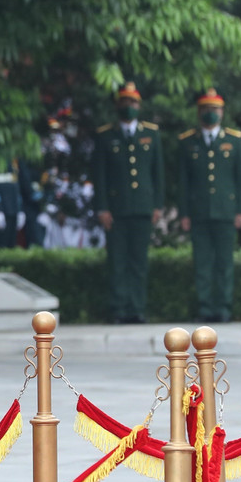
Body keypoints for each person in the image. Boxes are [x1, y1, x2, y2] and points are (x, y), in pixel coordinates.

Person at [91, 81, 164, 323]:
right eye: (124, 102)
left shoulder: (151, 134)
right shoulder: (105, 136)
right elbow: (99, 175)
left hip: (142, 207)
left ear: (139, 105)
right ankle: (118, 308)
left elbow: (158, 173)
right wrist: (102, 207)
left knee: (138, 261)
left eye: (132, 102)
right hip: (116, 207)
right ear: (117, 105)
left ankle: (137, 308)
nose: (129, 106)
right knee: (117, 261)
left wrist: (157, 205)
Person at [178, 89, 241, 323]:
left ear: (222, 112)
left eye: (215, 109)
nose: (211, 113)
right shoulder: (188, 141)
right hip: (199, 212)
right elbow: (183, 182)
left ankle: (224, 308)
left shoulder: (234, 141)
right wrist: (184, 213)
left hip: (226, 212)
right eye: (206, 109)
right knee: (203, 263)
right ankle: (206, 307)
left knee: (224, 263)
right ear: (199, 112)